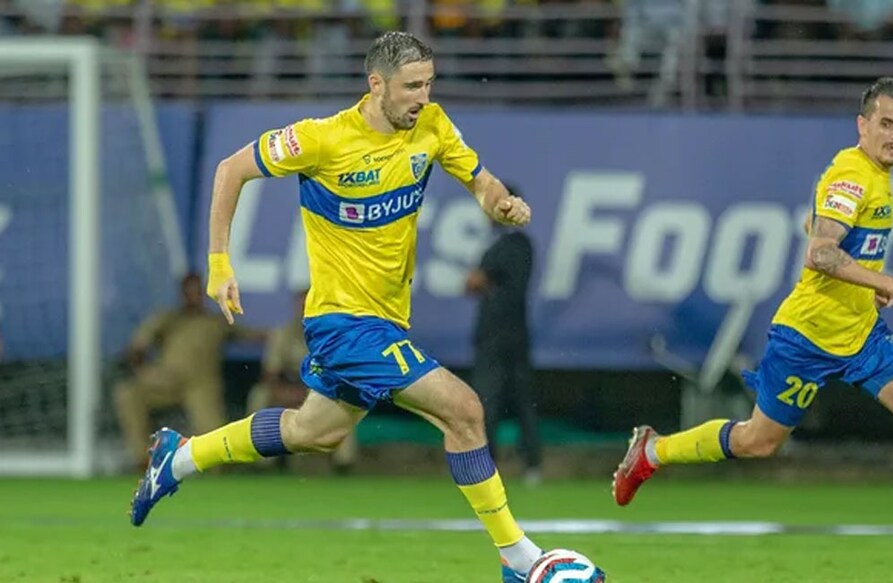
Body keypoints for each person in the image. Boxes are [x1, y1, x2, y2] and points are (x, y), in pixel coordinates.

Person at [127, 31, 584, 583]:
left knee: (311, 432)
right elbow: (230, 170)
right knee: (463, 410)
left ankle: (177, 459)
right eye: (412, 86)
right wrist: (219, 262)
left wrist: (502, 205)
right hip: (343, 323)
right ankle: (520, 560)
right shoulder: (322, 140)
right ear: (376, 85)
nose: (423, 96)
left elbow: (482, 185)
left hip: (386, 317)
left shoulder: (433, 126)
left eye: (430, 83)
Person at [611, 77, 893, 574]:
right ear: (863, 124)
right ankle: (653, 451)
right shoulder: (853, 173)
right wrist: (889, 282)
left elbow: (818, 228)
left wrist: (865, 287)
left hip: (860, 333)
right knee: (757, 442)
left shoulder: (873, 174)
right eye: (886, 124)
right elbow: (820, 252)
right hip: (807, 337)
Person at [114, 273, 259, 470]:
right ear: (182, 293)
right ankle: (143, 459)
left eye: (197, 291)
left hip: (201, 386)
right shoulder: (168, 319)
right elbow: (138, 347)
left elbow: (252, 335)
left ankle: (217, 470)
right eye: (188, 291)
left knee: (213, 442)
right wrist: (143, 371)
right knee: (127, 394)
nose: (193, 296)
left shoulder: (216, 321)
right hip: (166, 381)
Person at [464, 187, 541, 486]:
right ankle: (530, 465)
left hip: (498, 337)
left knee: (490, 401)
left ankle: (489, 465)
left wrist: (483, 283)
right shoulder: (520, 245)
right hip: (514, 334)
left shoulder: (511, 244)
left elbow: (473, 282)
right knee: (521, 402)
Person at [245, 289, 359, 474]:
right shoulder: (283, 332)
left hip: (321, 389)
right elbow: (270, 373)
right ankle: (262, 463)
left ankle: (344, 464)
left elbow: (339, 375)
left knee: (347, 401)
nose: (305, 310)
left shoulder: (332, 334)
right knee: (259, 394)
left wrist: (308, 393)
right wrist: (282, 392)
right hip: (288, 386)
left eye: (309, 305)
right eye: (301, 305)